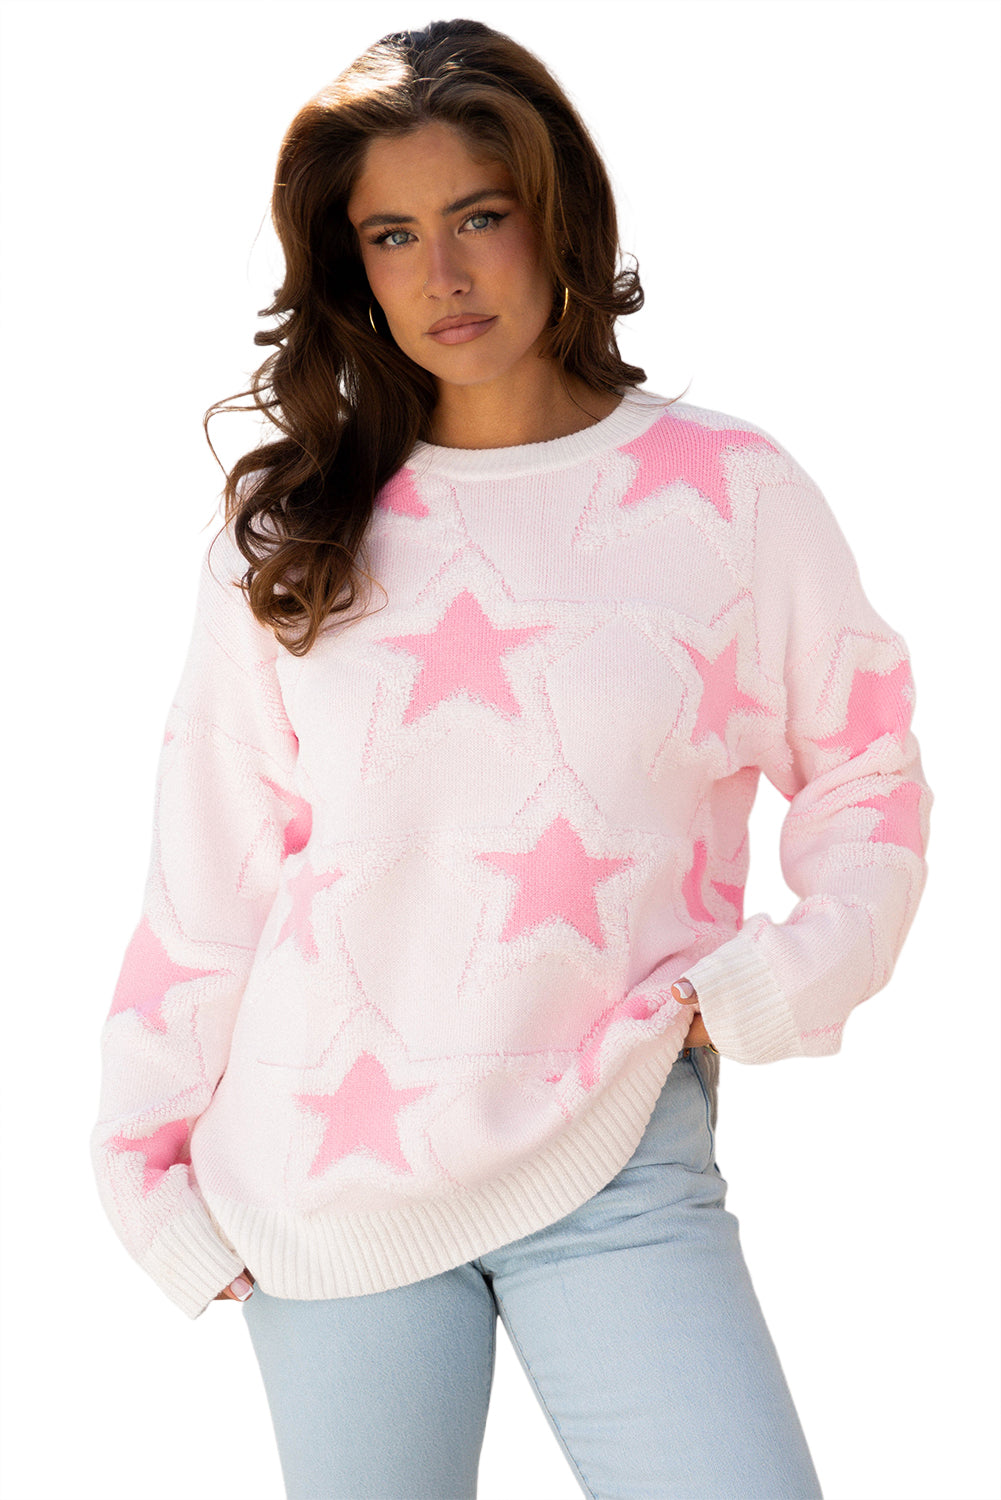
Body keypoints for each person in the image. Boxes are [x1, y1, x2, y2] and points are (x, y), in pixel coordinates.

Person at [90, 18, 932, 1499]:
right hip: (328, 1183)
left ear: (558, 218)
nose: (442, 274)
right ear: (350, 267)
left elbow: (867, 771)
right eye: (392, 235)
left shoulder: (725, 496)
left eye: (479, 216)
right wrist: (141, 1169)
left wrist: (771, 983)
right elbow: (209, 877)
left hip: (614, 1143)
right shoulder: (288, 536)